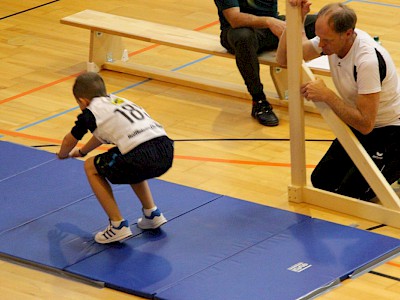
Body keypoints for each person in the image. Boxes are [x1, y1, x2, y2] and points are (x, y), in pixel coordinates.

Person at [276, 1, 400, 201]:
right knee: (322, 181)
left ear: (348, 34)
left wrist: (327, 95)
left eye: (327, 41)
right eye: (320, 39)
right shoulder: (332, 41)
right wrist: (295, 19)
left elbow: (366, 124)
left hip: (390, 130)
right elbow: (285, 59)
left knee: (352, 195)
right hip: (360, 124)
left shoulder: (367, 60)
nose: (322, 45)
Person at [57, 72, 174, 243]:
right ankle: (152, 214)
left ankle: (117, 225)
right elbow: (100, 136)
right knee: (128, 157)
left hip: (141, 156)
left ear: (82, 101)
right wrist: (82, 152)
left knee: (91, 167)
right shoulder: (117, 101)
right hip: (165, 149)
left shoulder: (90, 113)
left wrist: (62, 154)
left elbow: (69, 140)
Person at [213, 0, 317, 126]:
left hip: (269, 28)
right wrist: (269, 21)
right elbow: (235, 19)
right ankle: (259, 101)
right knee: (244, 37)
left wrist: (299, 10)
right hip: (237, 31)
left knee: (324, 22)